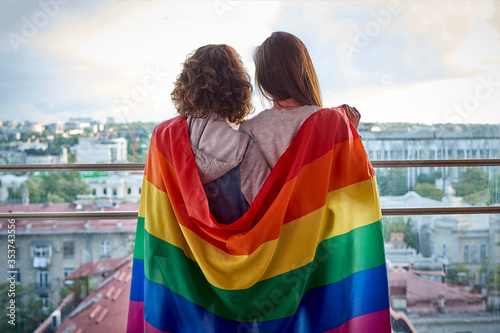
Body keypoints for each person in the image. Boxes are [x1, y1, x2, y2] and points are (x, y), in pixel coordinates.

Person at [127, 37, 391, 333]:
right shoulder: (314, 128)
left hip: (183, 270)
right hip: (300, 264)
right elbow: (274, 206)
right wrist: (343, 131)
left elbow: (156, 218)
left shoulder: (165, 139)